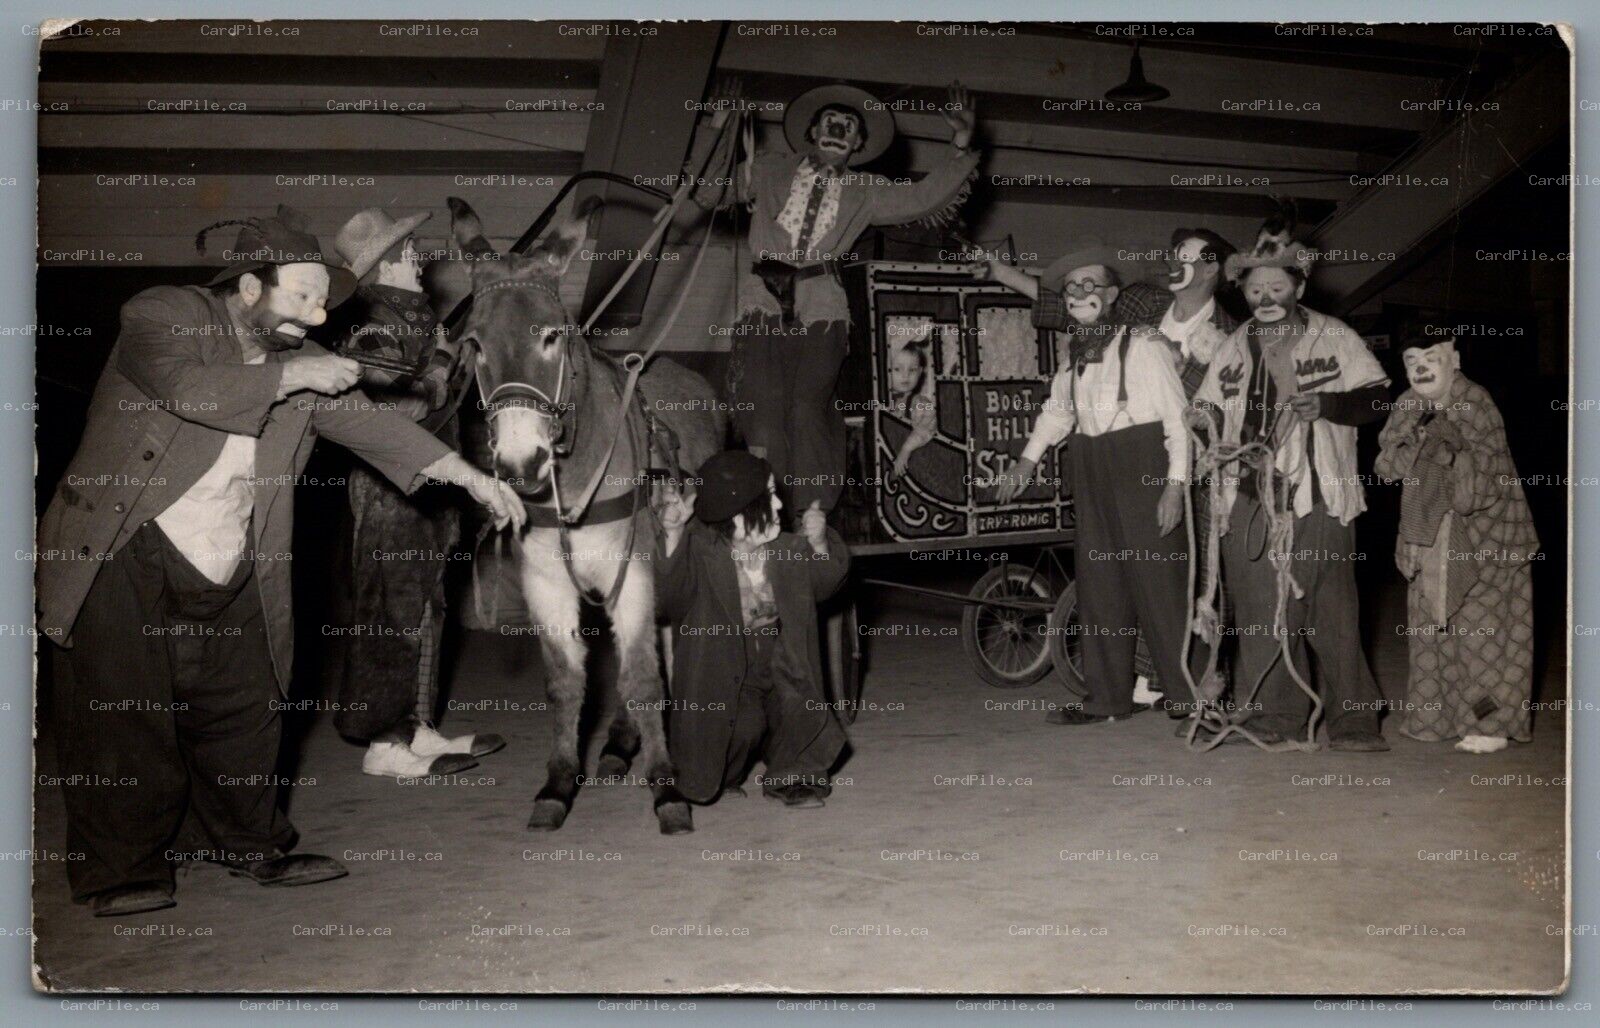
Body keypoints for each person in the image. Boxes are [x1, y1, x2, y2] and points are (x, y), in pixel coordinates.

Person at [36, 207, 524, 918]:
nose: (319, 310)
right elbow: (190, 390)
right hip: (124, 546)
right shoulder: (165, 314)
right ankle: (120, 870)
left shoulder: (297, 361)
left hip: (232, 551)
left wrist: (469, 476)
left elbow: (367, 422)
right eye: (302, 294)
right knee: (125, 716)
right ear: (249, 288)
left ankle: (246, 843)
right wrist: (297, 370)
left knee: (245, 704)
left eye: (323, 297)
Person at [692, 81, 979, 512]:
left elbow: (923, 197)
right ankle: (765, 504)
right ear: (812, 132)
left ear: (859, 144)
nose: (838, 130)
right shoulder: (768, 168)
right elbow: (708, 191)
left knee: (808, 406)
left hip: (822, 302)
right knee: (762, 404)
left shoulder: (867, 189)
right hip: (762, 298)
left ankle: (813, 511)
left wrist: (960, 141)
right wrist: (719, 124)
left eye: (849, 127)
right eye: (831, 122)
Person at [1190, 214, 1389, 751]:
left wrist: (1326, 404)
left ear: (1299, 287)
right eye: (1256, 289)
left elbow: (1378, 399)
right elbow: (1207, 401)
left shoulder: (1336, 337)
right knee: (1259, 614)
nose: (1266, 297)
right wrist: (1201, 420)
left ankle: (1355, 722)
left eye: (1277, 287)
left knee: (1332, 612)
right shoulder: (1233, 346)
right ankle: (1274, 719)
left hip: (1318, 495)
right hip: (1250, 496)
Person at [981, 243, 1193, 726]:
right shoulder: (1075, 354)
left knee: (1161, 584)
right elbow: (1058, 412)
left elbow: (1179, 422)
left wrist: (1174, 486)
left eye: (1089, 283)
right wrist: (1024, 465)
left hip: (1144, 466)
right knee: (1100, 586)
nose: (1079, 292)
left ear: (1112, 294)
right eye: (1072, 286)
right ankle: (1108, 699)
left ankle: (1186, 694)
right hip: (1093, 467)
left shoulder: (1143, 345)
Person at [330, 207, 505, 778]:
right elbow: (394, 402)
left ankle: (417, 728)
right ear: (384, 264)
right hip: (389, 492)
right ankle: (383, 745)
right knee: (392, 613)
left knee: (429, 607)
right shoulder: (371, 323)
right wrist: (445, 361)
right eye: (405, 250)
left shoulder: (415, 316)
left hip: (429, 490)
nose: (416, 257)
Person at [656, 451, 850, 808]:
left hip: (780, 658)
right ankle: (722, 773)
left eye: (776, 493)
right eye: (769, 497)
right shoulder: (700, 554)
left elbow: (824, 584)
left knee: (797, 708)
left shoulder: (788, 548)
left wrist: (820, 543)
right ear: (738, 519)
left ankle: (795, 778)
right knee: (740, 727)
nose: (779, 503)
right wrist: (672, 534)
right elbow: (666, 599)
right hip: (728, 665)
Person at [1375, 334, 1540, 753]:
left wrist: (1450, 450)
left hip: (1489, 542)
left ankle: (1490, 725)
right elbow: (1387, 468)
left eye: (1432, 358)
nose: (1421, 368)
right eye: (1412, 360)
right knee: (1430, 632)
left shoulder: (1476, 401)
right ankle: (1434, 720)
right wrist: (1411, 442)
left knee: (1483, 637)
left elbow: (1485, 482)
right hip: (1426, 537)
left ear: (1455, 360)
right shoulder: (1408, 404)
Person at [885, 333, 937, 483]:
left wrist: (906, 448)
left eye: (912, 370)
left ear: (920, 372)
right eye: (897, 369)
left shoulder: (919, 402)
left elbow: (926, 429)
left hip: (914, 470)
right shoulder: (883, 401)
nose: (905, 375)